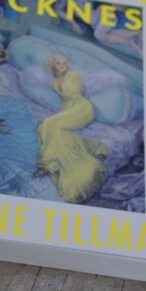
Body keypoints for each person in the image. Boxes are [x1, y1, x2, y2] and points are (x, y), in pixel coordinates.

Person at [34, 55, 108, 202]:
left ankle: (48, 163)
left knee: (49, 124)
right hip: (69, 110)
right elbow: (64, 100)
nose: (63, 65)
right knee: (45, 127)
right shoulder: (54, 81)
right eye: (58, 63)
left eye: (64, 63)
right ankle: (52, 163)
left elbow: (75, 93)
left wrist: (66, 76)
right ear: (52, 66)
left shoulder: (74, 76)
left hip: (83, 109)